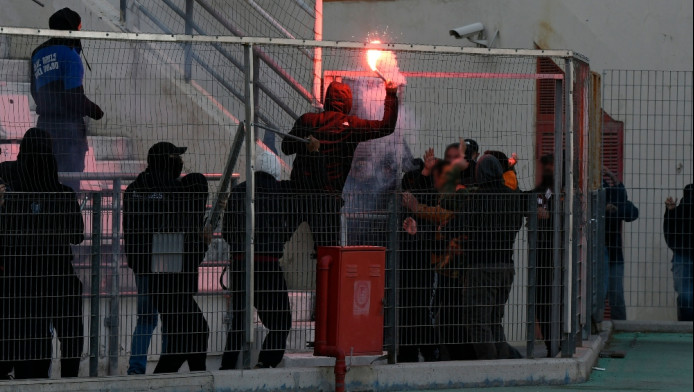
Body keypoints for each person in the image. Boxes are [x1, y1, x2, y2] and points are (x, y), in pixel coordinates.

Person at [0, 128, 85, 378]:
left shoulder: (11, 196)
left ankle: (31, 380)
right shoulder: (62, 195)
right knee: (70, 333)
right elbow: (77, 236)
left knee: (31, 337)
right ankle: (69, 380)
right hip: (58, 274)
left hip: (21, 276)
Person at [123, 142, 210, 374]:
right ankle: (171, 376)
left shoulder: (134, 189)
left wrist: (137, 264)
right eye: (176, 157)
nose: (180, 162)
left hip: (142, 267)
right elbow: (182, 232)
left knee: (148, 320)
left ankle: (136, 369)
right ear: (167, 160)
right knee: (175, 327)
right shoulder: (175, 192)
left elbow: (129, 232)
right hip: (168, 268)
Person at [281, 80, 398, 248]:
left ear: (327, 99)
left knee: (288, 248)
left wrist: (305, 143)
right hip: (328, 202)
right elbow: (386, 127)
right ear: (348, 102)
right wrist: (391, 95)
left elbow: (286, 147)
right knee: (327, 252)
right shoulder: (351, 126)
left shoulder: (308, 120)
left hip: (298, 196)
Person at [220, 171, 294, 369]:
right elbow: (286, 228)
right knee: (280, 321)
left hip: (241, 263)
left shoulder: (238, 191)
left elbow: (226, 231)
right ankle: (266, 363)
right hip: (268, 264)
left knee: (239, 322)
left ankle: (227, 368)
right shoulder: (279, 193)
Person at [31, 8, 104, 192]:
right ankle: (67, 219)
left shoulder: (37, 54)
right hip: (68, 131)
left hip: (44, 127)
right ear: (73, 28)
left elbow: (35, 91)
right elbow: (74, 98)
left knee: (43, 181)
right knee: (70, 184)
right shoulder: (70, 55)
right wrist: (96, 111)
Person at [527, 154, 559, 356]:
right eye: (546, 166)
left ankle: (559, 343)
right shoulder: (540, 192)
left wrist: (552, 215)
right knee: (543, 302)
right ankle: (551, 345)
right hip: (541, 255)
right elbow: (526, 201)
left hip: (559, 255)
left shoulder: (565, 193)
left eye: (552, 166)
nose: (548, 170)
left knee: (558, 301)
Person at [603, 166, 638, 321]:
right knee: (600, 293)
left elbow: (630, 211)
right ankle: (595, 325)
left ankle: (618, 325)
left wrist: (612, 176)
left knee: (615, 293)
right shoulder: (592, 200)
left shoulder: (618, 204)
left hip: (613, 253)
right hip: (599, 253)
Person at [664, 184, 693, 321]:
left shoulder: (678, 211)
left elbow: (668, 233)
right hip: (682, 255)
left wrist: (670, 211)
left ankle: (685, 325)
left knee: (684, 293)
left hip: (682, 256)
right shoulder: (678, 210)